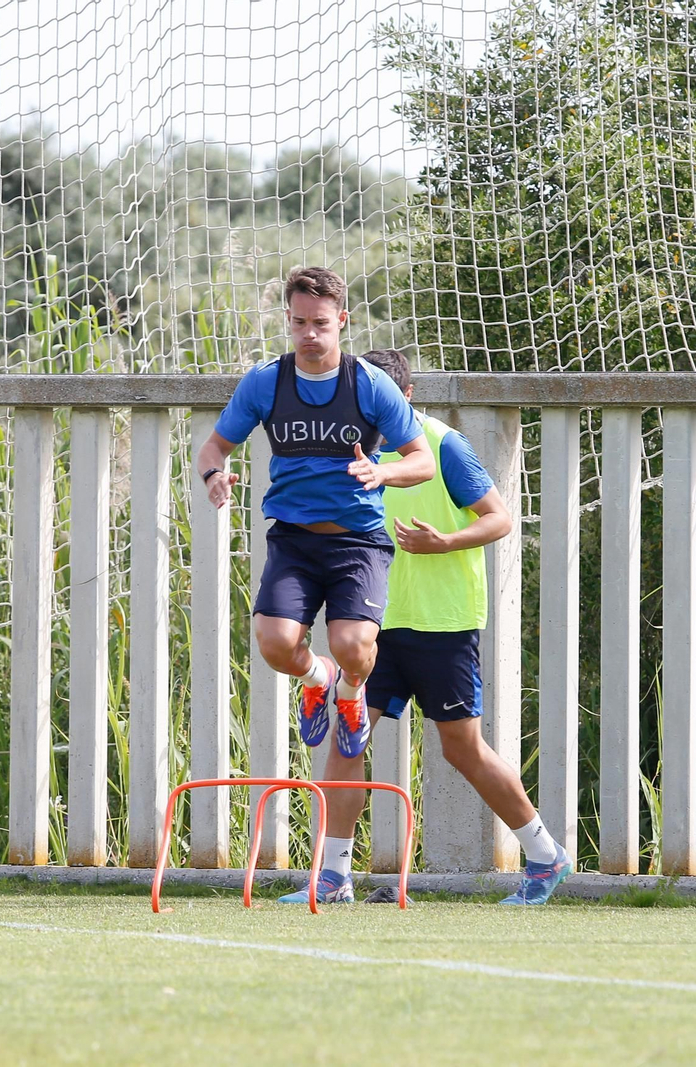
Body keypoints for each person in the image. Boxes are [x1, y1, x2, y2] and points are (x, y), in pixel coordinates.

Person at [278, 348, 574, 906]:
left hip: (444, 623)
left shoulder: (442, 445)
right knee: (349, 735)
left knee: (462, 749)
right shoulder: (343, 446)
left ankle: (543, 855)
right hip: (373, 623)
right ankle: (334, 878)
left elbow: (500, 517)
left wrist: (443, 542)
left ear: (405, 400)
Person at [196, 266, 435, 763]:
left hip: (357, 541)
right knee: (275, 644)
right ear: (288, 318)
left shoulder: (369, 383)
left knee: (353, 646)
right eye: (300, 322)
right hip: (293, 540)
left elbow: (422, 460)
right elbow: (213, 448)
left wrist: (382, 475)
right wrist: (214, 476)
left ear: (342, 320)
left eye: (321, 323)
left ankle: (349, 691)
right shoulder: (266, 381)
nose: (310, 334)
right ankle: (317, 679)